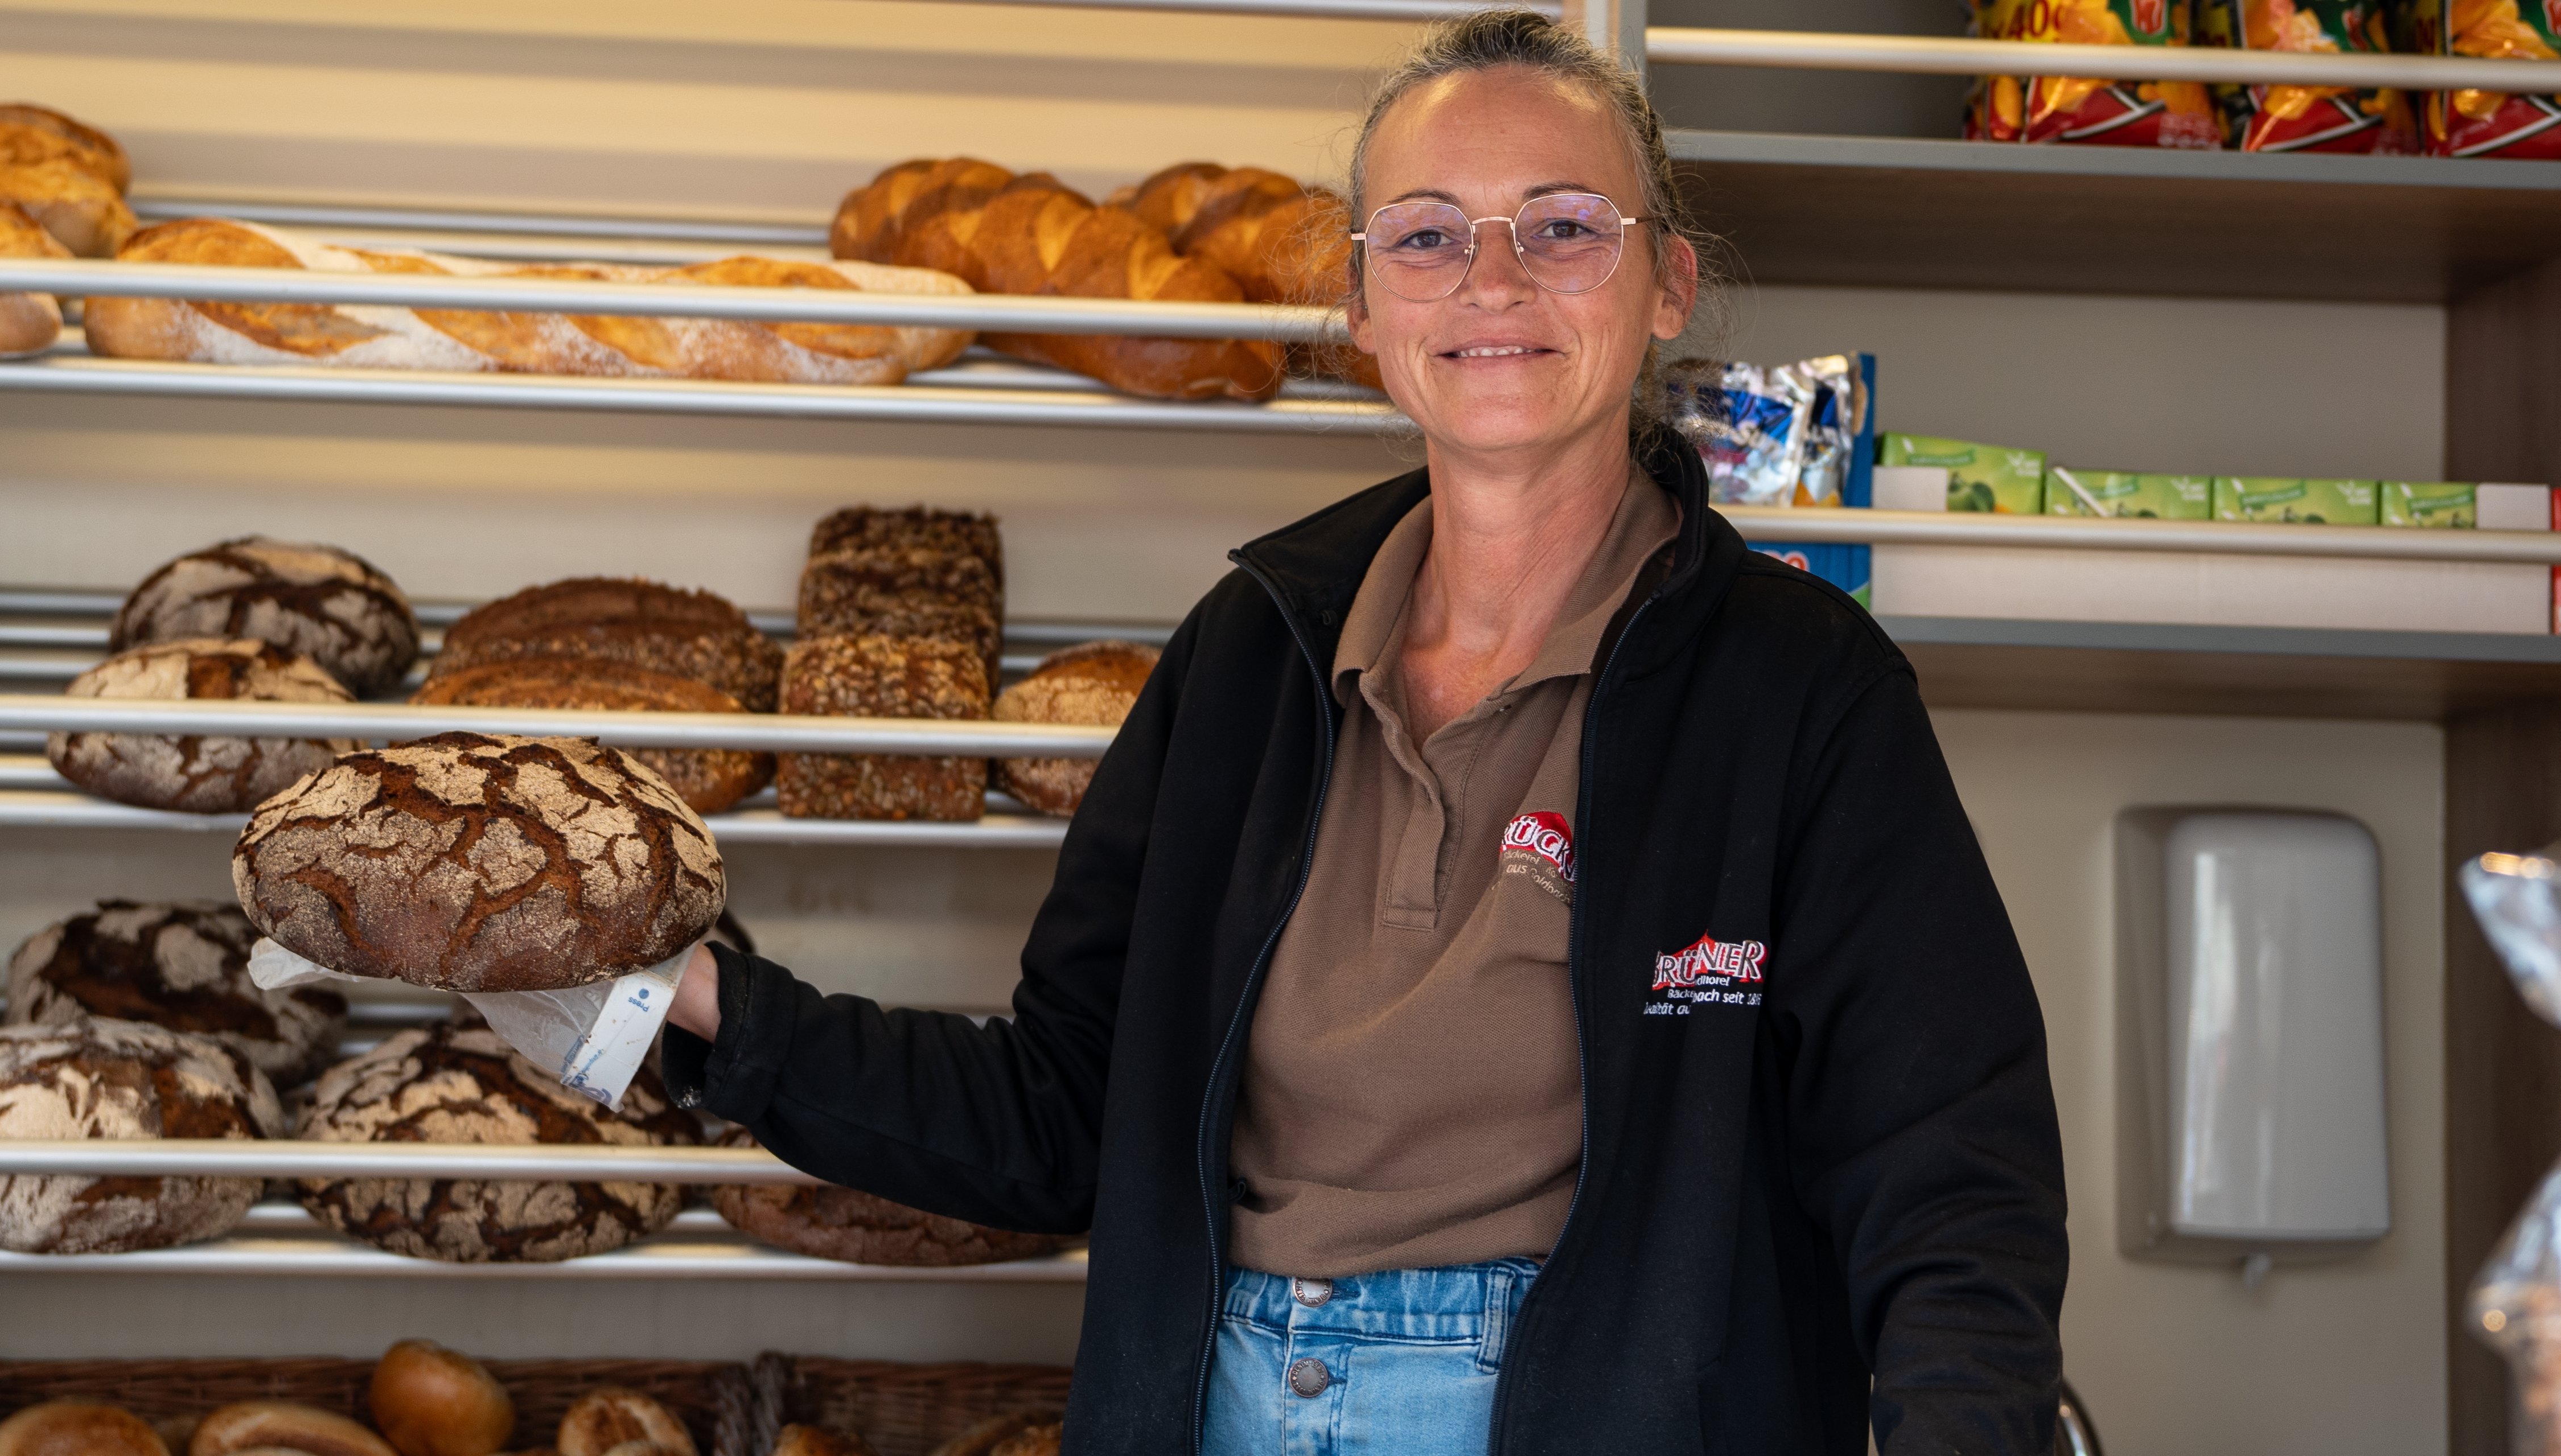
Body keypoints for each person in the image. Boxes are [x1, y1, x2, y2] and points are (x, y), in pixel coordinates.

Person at [658, 11, 2066, 1453]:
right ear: (1361, 306)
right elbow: (1064, 1107)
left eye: (1564, 226)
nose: (1493, 279)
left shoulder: (1799, 688)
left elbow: (1949, 1168)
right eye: (1426, 235)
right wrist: (690, 997)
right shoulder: (1253, 652)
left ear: (1667, 285)